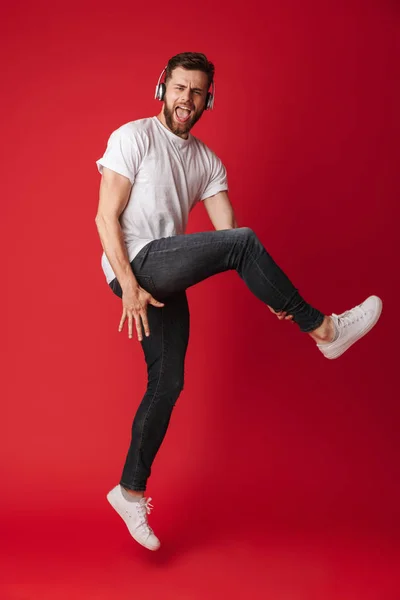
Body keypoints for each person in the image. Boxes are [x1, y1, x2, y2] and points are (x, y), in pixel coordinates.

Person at [94, 52, 382, 551]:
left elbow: (232, 240)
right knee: (245, 244)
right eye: (180, 88)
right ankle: (325, 331)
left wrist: (269, 287)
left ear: (210, 99)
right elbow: (104, 219)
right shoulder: (133, 136)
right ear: (163, 86)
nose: (187, 99)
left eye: (197, 92)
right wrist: (131, 286)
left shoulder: (207, 161)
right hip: (136, 265)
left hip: (166, 275)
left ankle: (130, 491)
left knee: (167, 384)